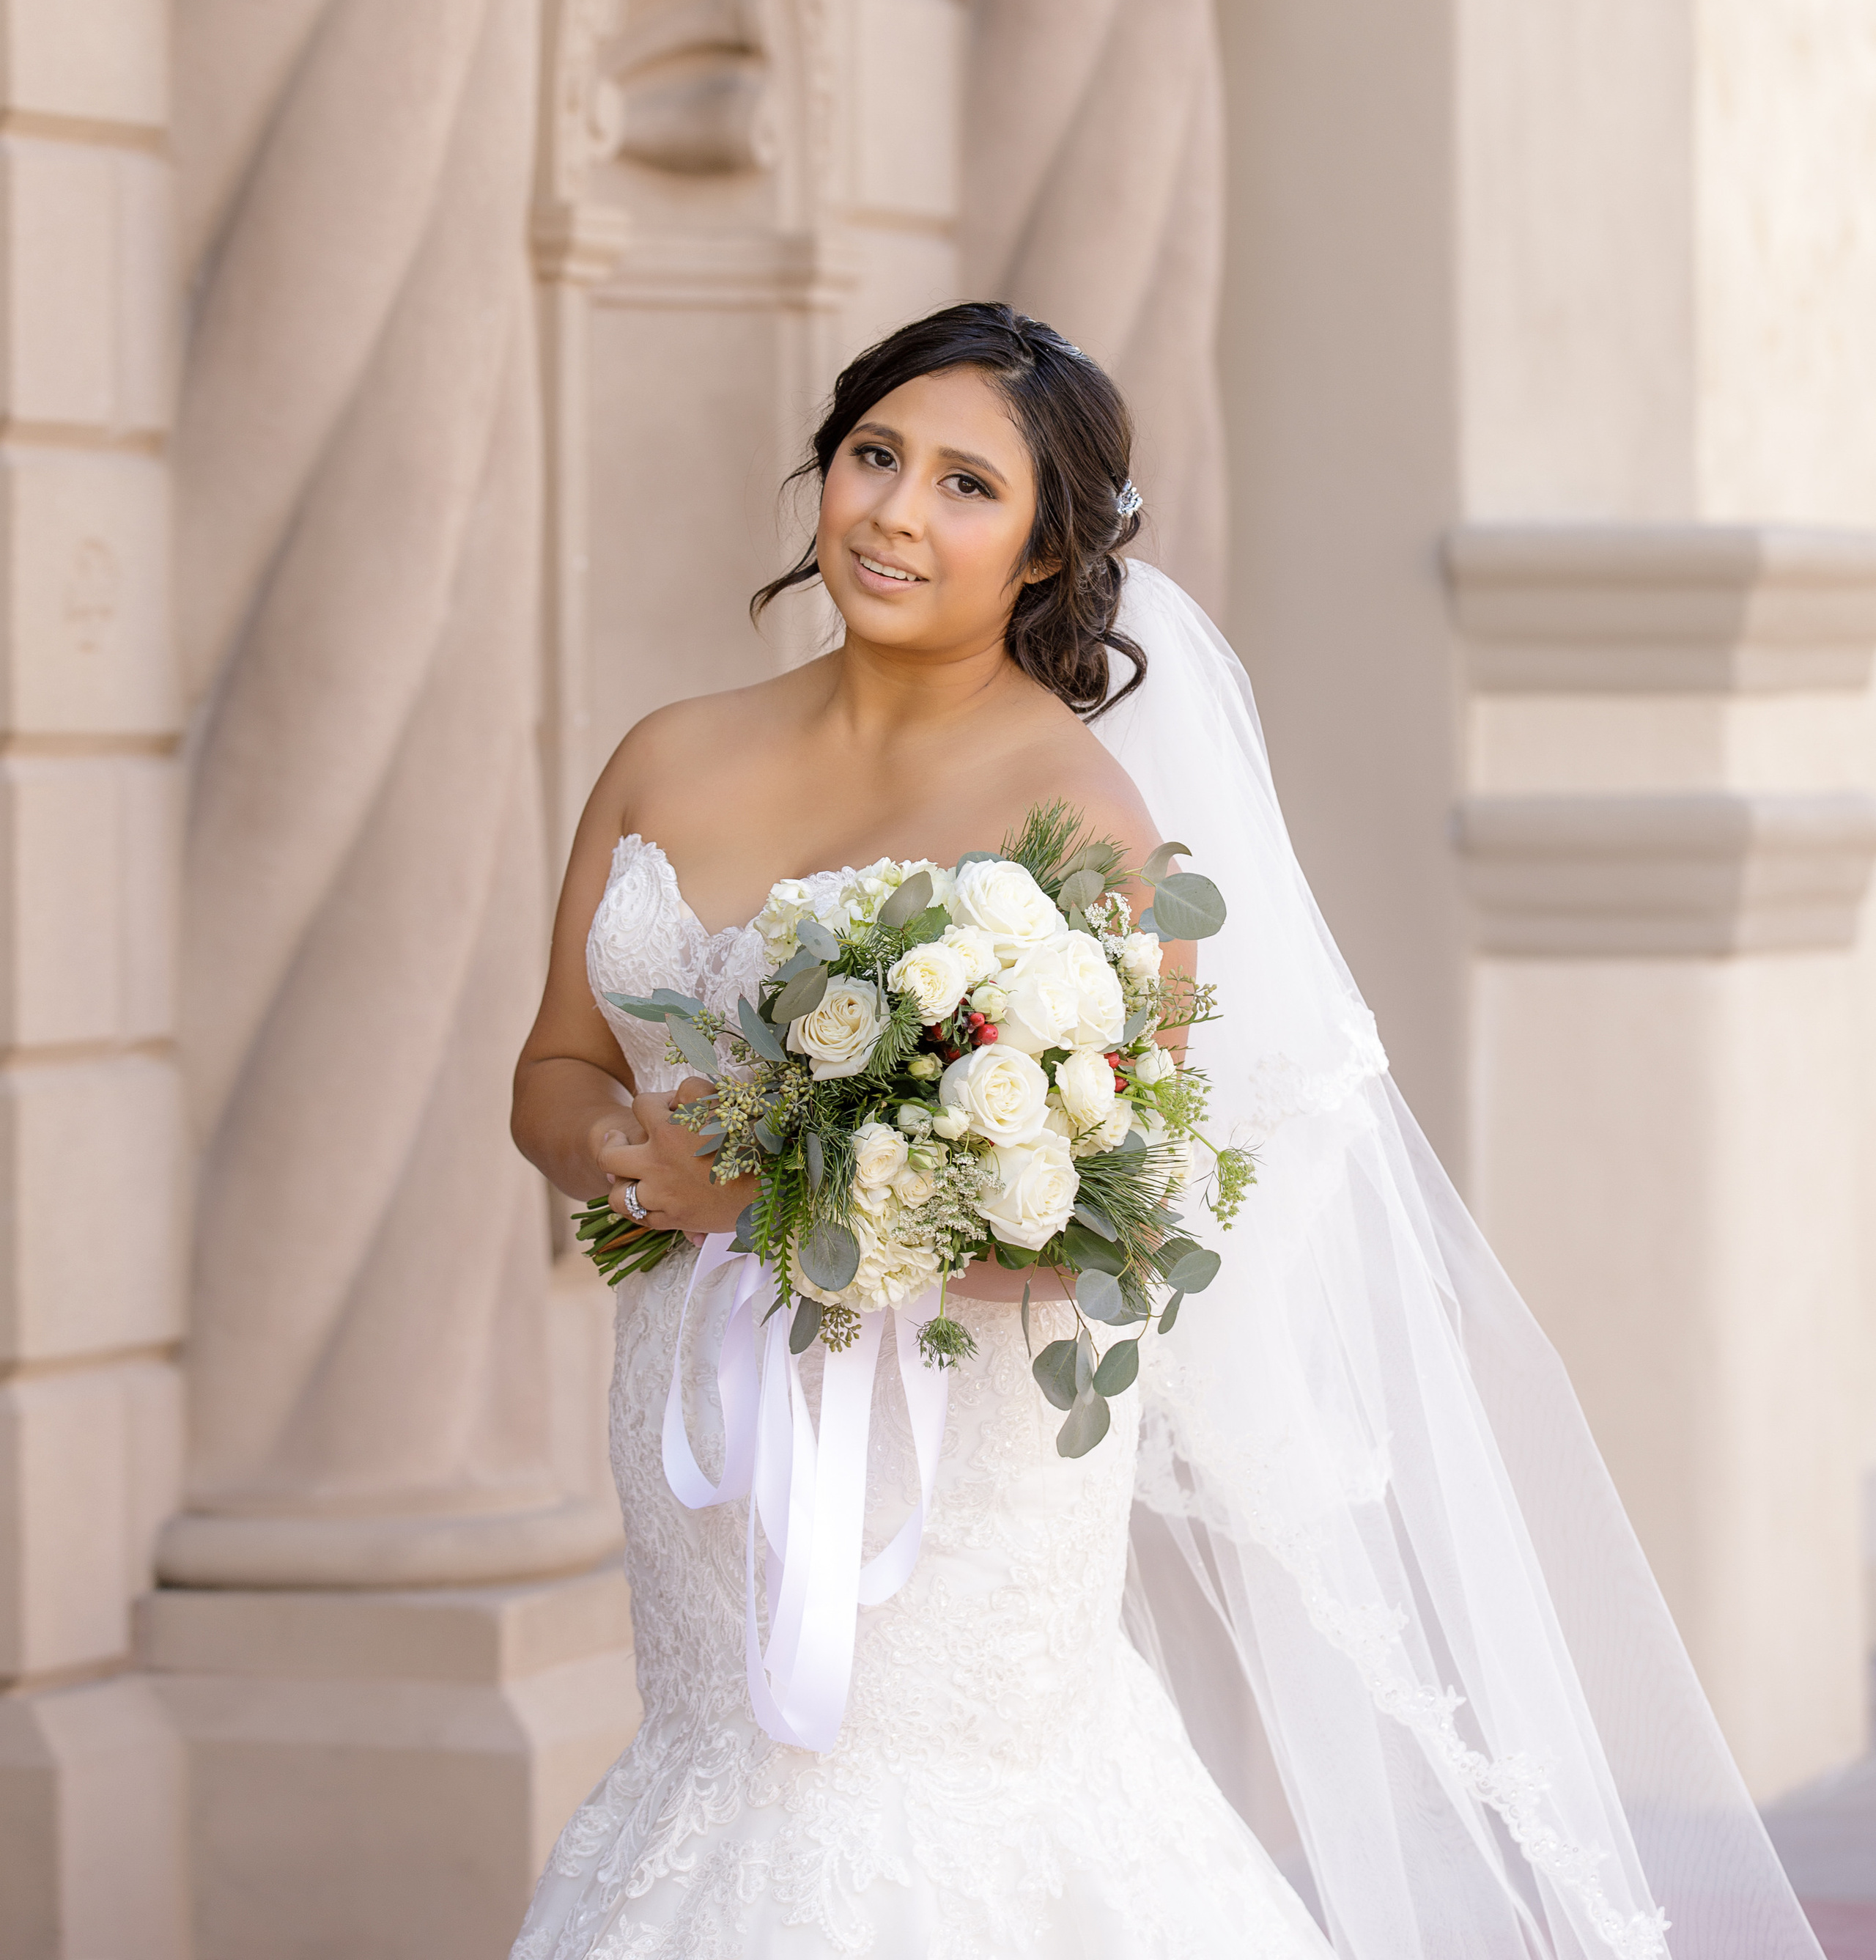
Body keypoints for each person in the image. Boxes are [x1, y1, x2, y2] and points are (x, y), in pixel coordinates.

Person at [508, 303, 1822, 1960]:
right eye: (871, 456)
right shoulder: (666, 754)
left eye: (964, 485)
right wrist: (628, 1166)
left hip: (956, 1480)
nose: (896, 513)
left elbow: (1127, 1233)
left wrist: (793, 1197)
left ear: (1047, 551)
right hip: (695, 1428)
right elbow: (554, 1069)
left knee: (910, 1835)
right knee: (723, 1794)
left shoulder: (1092, 825)